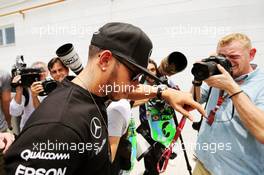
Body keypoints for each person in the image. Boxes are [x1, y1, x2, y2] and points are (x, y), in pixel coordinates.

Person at [4, 22, 205, 175]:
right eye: (134, 74)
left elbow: (125, 89)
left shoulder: (96, 93)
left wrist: (163, 92)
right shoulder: (60, 124)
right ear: (105, 60)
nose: (138, 82)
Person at [193, 33, 264, 175]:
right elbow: (196, 100)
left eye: (233, 57)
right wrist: (198, 79)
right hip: (203, 163)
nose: (227, 62)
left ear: (251, 54)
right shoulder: (218, 75)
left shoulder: (260, 84)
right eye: (222, 57)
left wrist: (232, 88)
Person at [9, 61, 49, 131]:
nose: (39, 74)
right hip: (28, 128)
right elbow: (15, 112)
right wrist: (19, 89)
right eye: (35, 71)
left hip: (47, 127)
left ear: (47, 72)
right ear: (30, 74)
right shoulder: (26, 89)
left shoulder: (52, 86)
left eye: (42, 70)